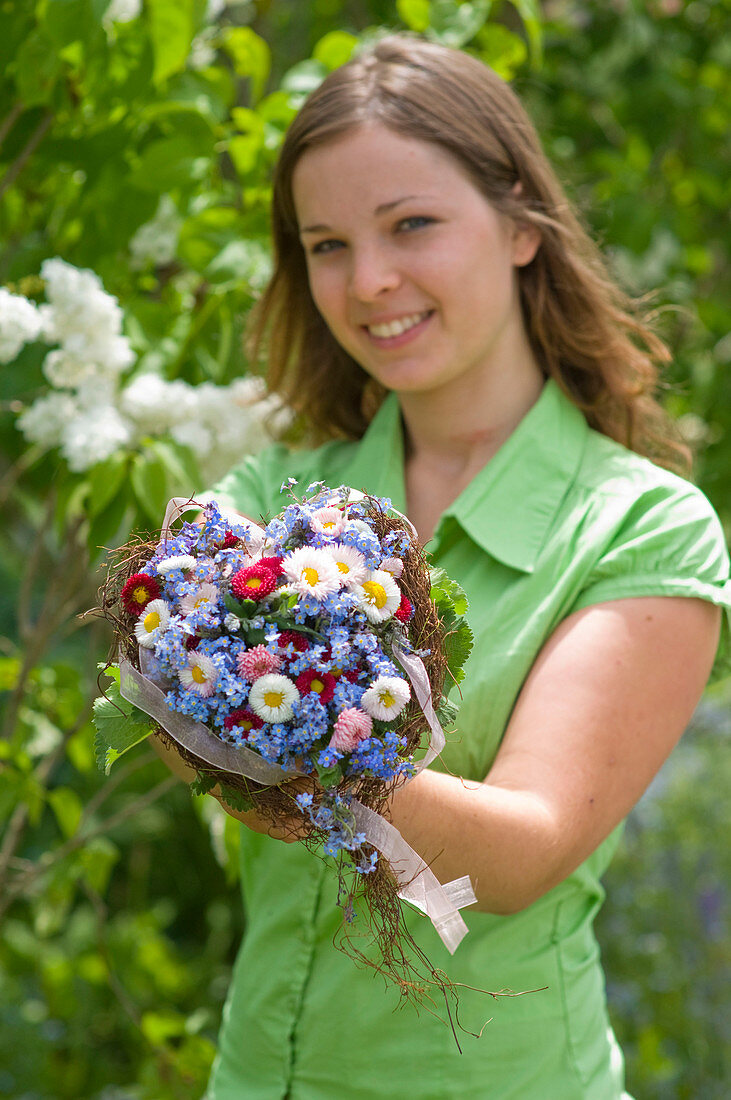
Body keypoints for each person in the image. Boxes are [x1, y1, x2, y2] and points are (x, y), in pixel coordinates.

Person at [154, 34, 731, 1099]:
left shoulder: (638, 527)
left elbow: (518, 852)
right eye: (325, 244)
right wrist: (203, 701)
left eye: (410, 224)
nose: (368, 281)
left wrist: (269, 722)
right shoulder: (275, 491)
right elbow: (172, 720)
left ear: (519, 225)